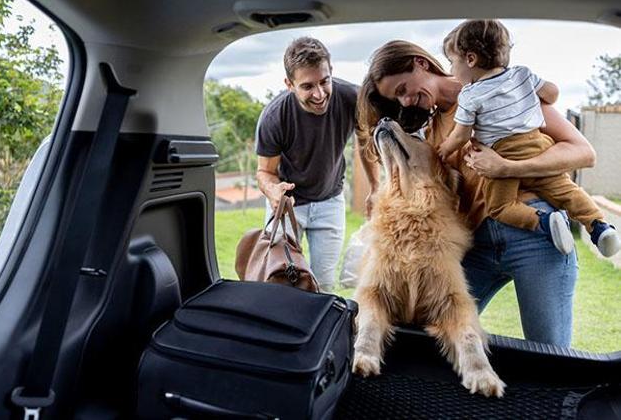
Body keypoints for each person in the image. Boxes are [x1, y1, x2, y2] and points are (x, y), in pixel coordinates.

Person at [357, 38, 597, 348]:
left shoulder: (503, 89)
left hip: (534, 236)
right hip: (478, 243)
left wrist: (507, 167)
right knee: (425, 334)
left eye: (403, 89)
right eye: (397, 98)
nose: (405, 102)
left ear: (420, 63)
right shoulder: (432, 130)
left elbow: (583, 153)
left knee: (549, 352)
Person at [437, 19, 620, 258]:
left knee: (500, 207)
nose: (451, 70)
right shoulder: (522, 74)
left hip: (503, 154)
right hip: (538, 145)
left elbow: (460, 135)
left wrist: (443, 149)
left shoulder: (469, 96)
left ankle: (544, 222)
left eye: (452, 62)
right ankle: (599, 226)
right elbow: (552, 93)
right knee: (567, 191)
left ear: (470, 59)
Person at [255, 36, 379, 292]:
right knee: (281, 282)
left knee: (323, 285)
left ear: (331, 71)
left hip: (330, 202)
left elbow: (365, 142)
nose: (320, 94)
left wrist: (376, 187)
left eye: (324, 81)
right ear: (289, 84)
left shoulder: (352, 98)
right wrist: (274, 192)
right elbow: (265, 171)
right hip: (288, 205)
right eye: (308, 86)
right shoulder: (275, 116)